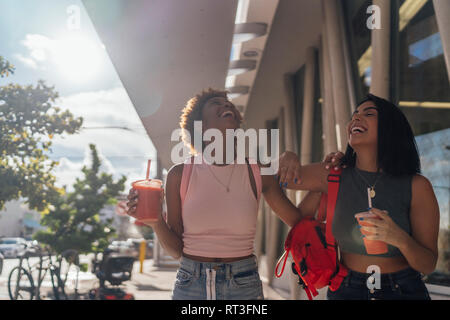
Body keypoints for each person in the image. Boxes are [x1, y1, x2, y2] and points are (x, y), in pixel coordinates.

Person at [126, 88, 304, 300]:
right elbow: (175, 250)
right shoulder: (179, 174)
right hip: (190, 284)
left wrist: (291, 156)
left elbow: (299, 223)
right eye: (216, 103)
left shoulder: (257, 172)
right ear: (200, 126)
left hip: (243, 284)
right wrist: (156, 222)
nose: (227, 105)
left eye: (228, 104)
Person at [279, 93, 440, 300]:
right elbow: (265, 179)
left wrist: (399, 239)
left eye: (368, 113)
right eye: (354, 114)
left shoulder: (417, 186)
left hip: (403, 289)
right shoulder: (333, 174)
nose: (355, 118)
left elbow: (427, 264)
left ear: (390, 128)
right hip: (347, 289)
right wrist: (286, 157)